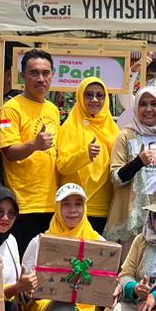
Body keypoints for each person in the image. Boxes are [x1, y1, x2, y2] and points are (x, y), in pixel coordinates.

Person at [21, 184, 107, 311]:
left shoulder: (99, 242)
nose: (73, 210)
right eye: (66, 204)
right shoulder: (40, 241)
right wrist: (27, 288)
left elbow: (107, 281)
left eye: (78, 204)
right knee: (64, 307)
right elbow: (24, 291)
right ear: (57, 208)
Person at [0, 48, 62, 246]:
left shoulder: (52, 109)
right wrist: (35, 145)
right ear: (22, 75)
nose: (41, 78)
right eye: (34, 73)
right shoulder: (10, 109)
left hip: (52, 203)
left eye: (46, 73)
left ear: (52, 76)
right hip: (23, 205)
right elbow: (9, 152)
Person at [106, 85, 156, 245]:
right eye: (143, 104)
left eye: (154, 104)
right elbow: (116, 178)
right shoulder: (126, 135)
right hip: (133, 213)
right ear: (136, 108)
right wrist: (138, 162)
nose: (149, 109)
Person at [56, 76, 118, 233]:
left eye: (100, 95)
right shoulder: (69, 128)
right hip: (74, 208)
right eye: (89, 95)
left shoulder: (114, 130)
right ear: (80, 97)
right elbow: (62, 166)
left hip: (104, 208)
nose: (95, 100)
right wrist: (85, 155)